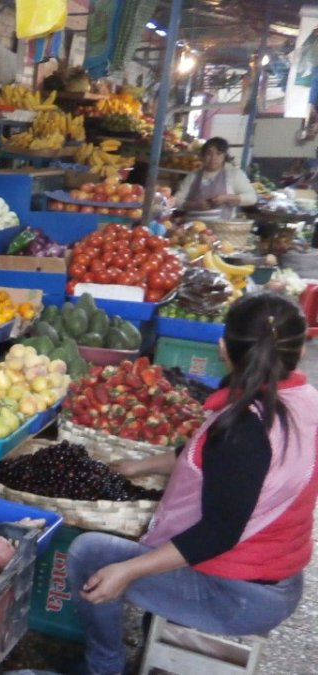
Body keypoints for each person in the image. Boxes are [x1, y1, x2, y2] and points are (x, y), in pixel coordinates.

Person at [65, 292, 316, 675]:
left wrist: (128, 571)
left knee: (90, 554)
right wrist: (137, 466)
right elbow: (209, 458)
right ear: (299, 353)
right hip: (278, 578)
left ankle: (104, 667)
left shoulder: (245, 429)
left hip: (237, 595)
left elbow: (218, 533)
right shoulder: (304, 401)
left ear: (222, 348)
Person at [173, 137, 258, 215]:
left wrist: (227, 198)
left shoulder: (234, 174)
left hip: (223, 228)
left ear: (224, 156)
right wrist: (194, 205)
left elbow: (252, 198)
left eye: (218, 154)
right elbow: (176, 201)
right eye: (209, 154)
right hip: (195, 227)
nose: (213, 158)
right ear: (202, 156)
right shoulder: (193, 176)